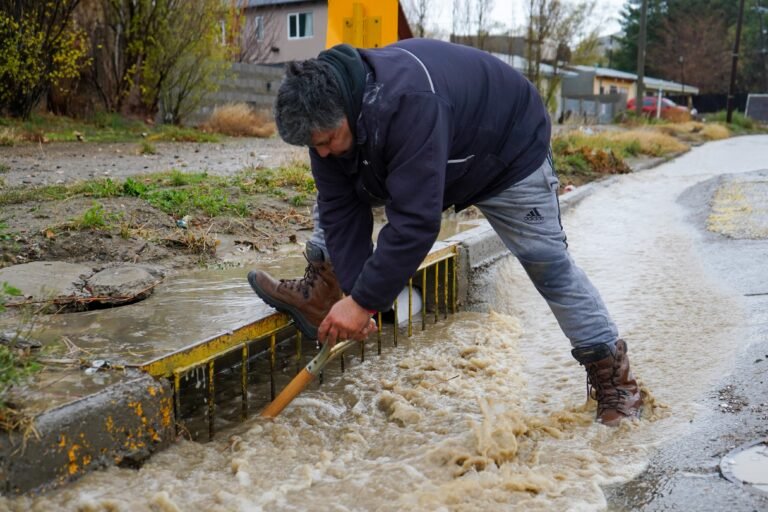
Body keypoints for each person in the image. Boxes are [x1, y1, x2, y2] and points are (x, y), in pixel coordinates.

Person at [248, 39, 642, 426]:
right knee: (332, 199)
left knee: (548, 265)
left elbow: (416, 222)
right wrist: (356, 295)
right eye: (312, 146)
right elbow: (340, 209)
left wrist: (365, 302)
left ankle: (616, 382)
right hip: (440, 148)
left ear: (345, 112)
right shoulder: (328, 123)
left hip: (507, 151)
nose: (320, 153)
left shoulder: (408, 102)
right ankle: (325, 291)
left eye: (326, 141)